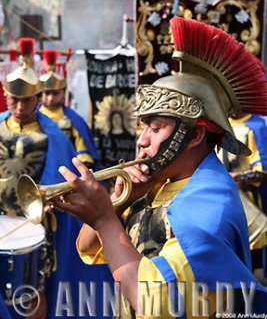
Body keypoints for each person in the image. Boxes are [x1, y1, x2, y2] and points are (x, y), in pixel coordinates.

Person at [53, 17, 267, 317]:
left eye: (154, 128)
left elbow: (155, 302)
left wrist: (104, 219)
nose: (141, 140)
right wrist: (117, 203)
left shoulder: (209, 205)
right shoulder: (160, 183)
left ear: (194, 135)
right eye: (143, 128)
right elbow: (91, 249)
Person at [0, 38, 112, 318]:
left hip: (39, 228)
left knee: (34, 293)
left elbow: (70, 179)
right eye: (13, 99)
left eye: (26, 99)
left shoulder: (57, 138)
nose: (19, 106)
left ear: (37, 98)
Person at [219, 112, 267, 279]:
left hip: (247, 199)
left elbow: (263, 170)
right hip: (221, 196)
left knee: (249, 254)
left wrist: (241, 177)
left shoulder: (256, 126)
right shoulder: (219, 122)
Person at [39, 49, 101, 171]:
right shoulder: (32, 116)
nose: (51, 98)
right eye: (47, 93)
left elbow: (82, 150)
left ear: (63, 92)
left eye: (55, 93)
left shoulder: (73, 120)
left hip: (65, 170)